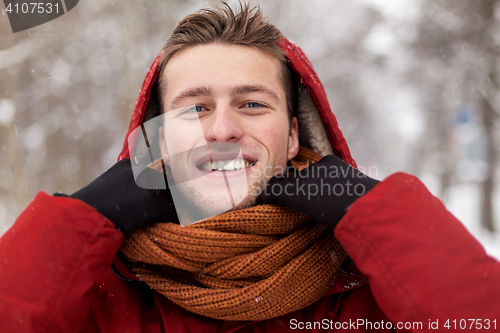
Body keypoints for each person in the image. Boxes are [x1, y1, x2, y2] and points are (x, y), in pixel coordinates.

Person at [1, 2, 499, 332]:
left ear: (292, 137)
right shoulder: (99, 287)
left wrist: (371, 211)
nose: (221, 130)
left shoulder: (366, 287)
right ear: (155, 137)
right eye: (194, 107)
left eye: (253, 104)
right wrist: (84, 217)